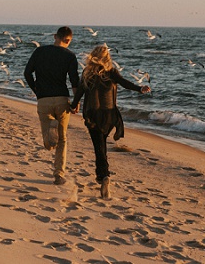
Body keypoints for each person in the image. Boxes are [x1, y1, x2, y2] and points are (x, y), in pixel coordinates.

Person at [71, 44, 151, 199]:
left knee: (98, 146)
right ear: (107, 58)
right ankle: (102, 175)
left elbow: (79, 92)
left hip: (93, 114)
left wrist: (73, 106)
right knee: (102, 143)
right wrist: (139, 89)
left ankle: (104, 175)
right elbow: (124, 82)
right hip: (109, 115)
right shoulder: (112, 72)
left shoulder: (87, 73)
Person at [24, 26, 80, 185]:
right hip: (62, 100)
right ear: (68, 40)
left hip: (44, 100)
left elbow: (27, 73)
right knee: (62, 139)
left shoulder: (39, 52)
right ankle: (58, 174)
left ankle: (50, 126)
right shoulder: (70, 56)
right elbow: (75, 81)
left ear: (55, 36)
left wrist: (36, 89)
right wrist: (76, 102)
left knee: (49, 142)